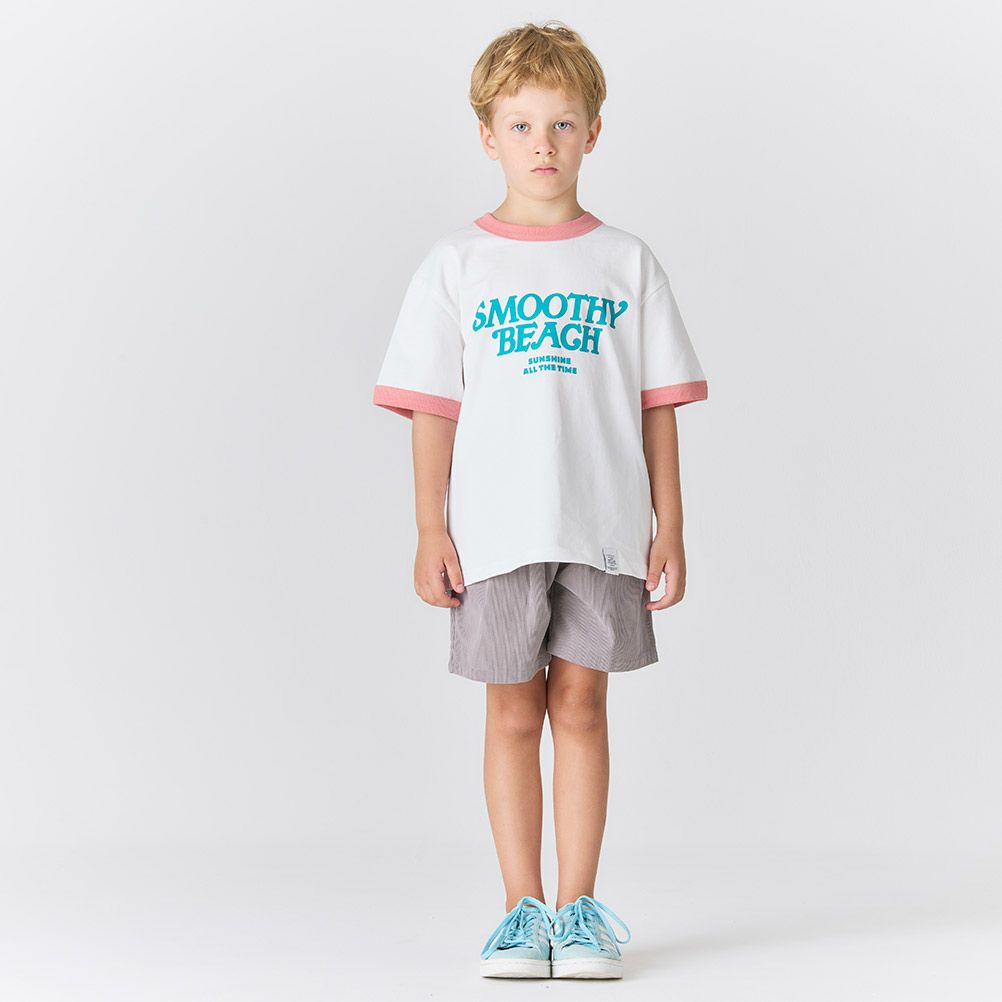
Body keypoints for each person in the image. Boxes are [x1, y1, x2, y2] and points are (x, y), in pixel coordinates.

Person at [372, 20, 708, 980]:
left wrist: (671, 526)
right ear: (488, 136)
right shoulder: (456, 265)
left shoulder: (626, 262)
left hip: (603, 528)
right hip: (494, 532)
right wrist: (430, 527)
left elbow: (656, 408)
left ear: (594, 131)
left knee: (584, 709)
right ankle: (521, 913)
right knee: (514, 715)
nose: (543, 144)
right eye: (521, 125)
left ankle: (579, 910)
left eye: (562, 123)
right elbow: (432, 408)